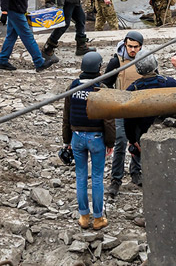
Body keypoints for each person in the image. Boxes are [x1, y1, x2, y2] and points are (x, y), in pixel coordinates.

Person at [63, 51, 115, 230]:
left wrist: (66, 141)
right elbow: (108, 120)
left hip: (77, 137)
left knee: (81, 177)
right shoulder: (101, 89)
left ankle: (84, 216)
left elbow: (66, 116)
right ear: (98, 68)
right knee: (98, 178)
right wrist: (110, 143)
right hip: (96, 138)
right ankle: (98, 218)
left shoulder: (73, 87)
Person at [124, 54, 176, 187]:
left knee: (141, 156)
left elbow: (128, 118)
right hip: (165, 129)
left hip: (142, 131)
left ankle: (138, 175)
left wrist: (131, 140)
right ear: (156, 66)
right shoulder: (168, 82)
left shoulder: (134, 88)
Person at [103, 30, 145, 196]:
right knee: (120, 142)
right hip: (121, 107)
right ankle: (116, 179)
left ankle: (136, 172)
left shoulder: (145, 60)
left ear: (141, 47)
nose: (132, 50)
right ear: (125, 45)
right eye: (130, 46)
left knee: (139, 142)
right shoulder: (116, 61)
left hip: (139, 108)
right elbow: (106, 83)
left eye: (136, 47)